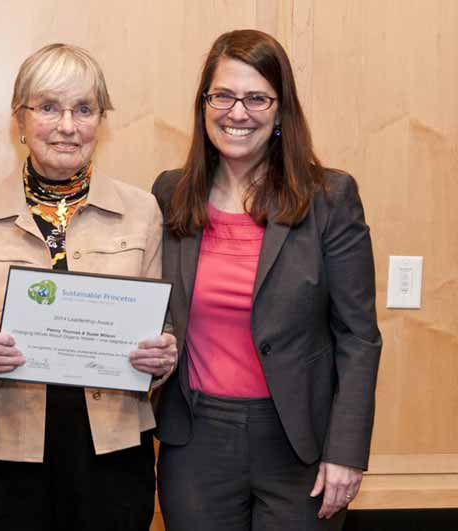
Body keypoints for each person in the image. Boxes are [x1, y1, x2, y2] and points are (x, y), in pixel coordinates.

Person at [152, 29, 382, 531]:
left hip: (300, 446)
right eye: (224, 96)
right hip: (195, 441)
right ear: (204, 104)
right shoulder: (171, 193)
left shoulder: (329, 196)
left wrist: (346, 451)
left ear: (280, 110)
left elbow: (359, 336)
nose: (238, 112)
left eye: (257, 97)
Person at [0, 43, 177, 531]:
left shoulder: (143, 213)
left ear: (101, 121)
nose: (67, 126)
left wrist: (162, 359)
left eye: (84, 109)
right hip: (5, 456)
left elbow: (163, 329)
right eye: (48, 107)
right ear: (20, 119)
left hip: (113, 454)